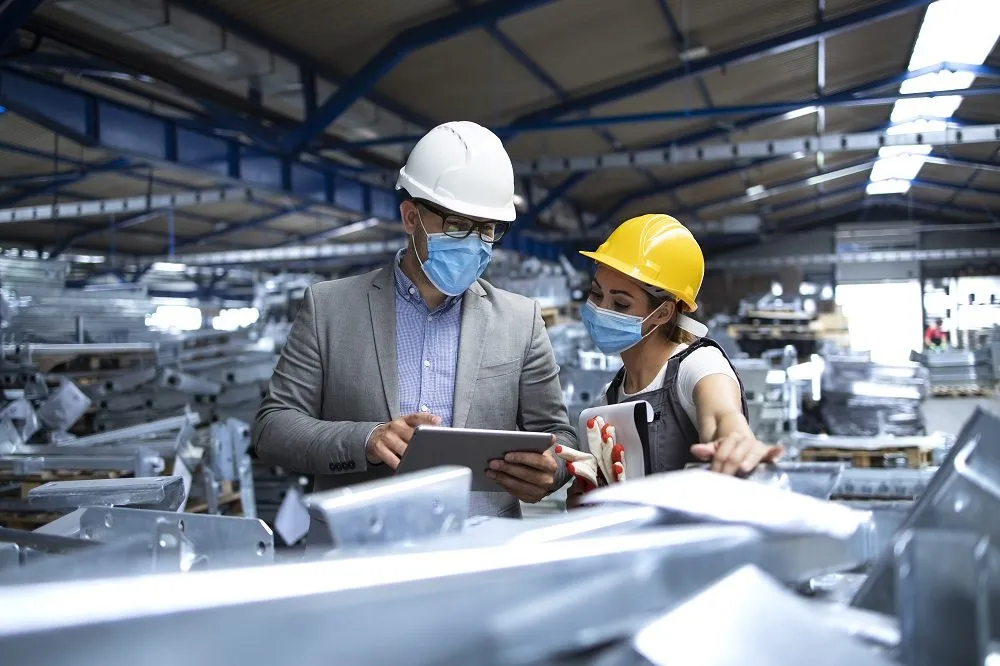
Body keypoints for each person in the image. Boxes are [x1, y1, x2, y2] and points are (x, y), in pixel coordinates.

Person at [252, 121, 573, 519]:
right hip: (361, 550)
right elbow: (273, 429)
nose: (474, 243)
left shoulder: (521, 321)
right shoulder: (329, 309)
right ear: (410, 217)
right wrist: (367, 440)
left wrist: (552, 471)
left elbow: (559, 437)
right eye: (457, 227)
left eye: (486, 230)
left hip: (482, 553)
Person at [557, 214, 782, 502]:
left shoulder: (699, 366)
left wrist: (736, 441)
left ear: (662, 313)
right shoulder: (608, 400)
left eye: (621, 303)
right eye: (596, 294)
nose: (600, 310)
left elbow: (722, 415)